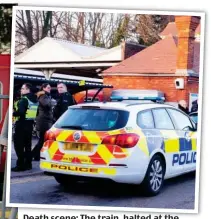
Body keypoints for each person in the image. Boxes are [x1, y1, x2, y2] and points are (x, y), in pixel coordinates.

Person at [12, 83, 38, 171]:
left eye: (23, 88)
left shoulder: (24, 100)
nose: (21, 90)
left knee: (18, 145)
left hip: (21, 124)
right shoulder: (35, 100)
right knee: (27, 145)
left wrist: (13, 113)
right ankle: (28, 164)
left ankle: (20, 165)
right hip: (30, 124)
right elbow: (37, 113)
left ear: (28, 90)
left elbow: (21, 112)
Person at [32, 83, 54, 161]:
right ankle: (33, 154)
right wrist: (52, 102)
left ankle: (35, 155)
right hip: (43, 121)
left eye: (50, 87)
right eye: (48, 87)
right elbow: (47, 105)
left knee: (42, 139)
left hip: (45, 120)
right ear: (43, 88)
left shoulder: (46, 96)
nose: (49, 89)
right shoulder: (43, 96)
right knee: (43, 139)